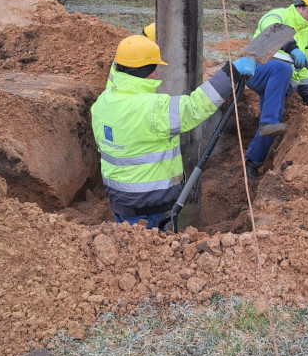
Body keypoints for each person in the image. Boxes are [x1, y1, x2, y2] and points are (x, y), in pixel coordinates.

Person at [91, 34, 256, 229]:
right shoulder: (152, 108)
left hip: (120, 200)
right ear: (147, 71)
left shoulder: (103, 101)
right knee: (153, 250)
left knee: (127, 243)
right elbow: (194, 107)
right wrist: (231, 73)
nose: (157, 74)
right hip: (149, 205)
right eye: (155, 68)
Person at [244, 0, 308, 181]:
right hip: (256, 70)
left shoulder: (307, 34)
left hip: (279, 82)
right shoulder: (277, 15)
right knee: (283, 69)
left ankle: (253, 162)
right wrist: (292, 48)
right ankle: (269, 122)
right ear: (300, 5)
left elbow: (305, 67)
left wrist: (307, 95)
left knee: (275, 119)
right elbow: (272, 30)